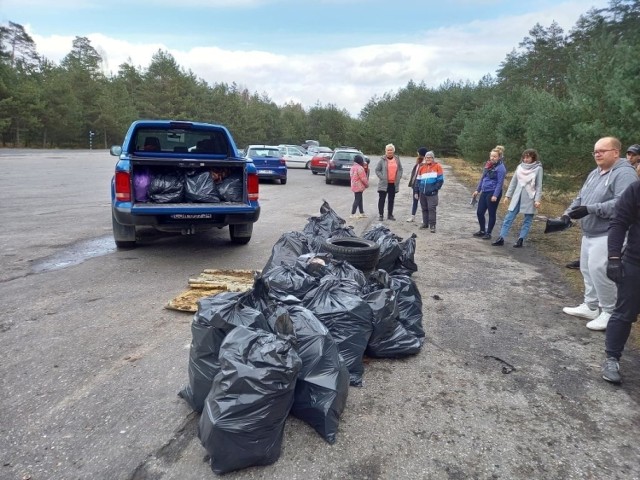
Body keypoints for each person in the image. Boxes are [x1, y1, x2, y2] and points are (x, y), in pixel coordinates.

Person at [562, 136, 637, 331]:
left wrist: (591, 209)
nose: (597, 154)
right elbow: (581, 196)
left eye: (602, 151)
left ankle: (609, 311)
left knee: (600, 270)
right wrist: (567, 214)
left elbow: (622, 205)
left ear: (615, 152)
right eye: (595, 151)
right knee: (587, 268)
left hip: (608, 231)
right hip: (589, 230)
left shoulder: (624, 174)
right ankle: (590, 305)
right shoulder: (595, 173)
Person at [600, 180, 640, 383]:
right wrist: (614, 257)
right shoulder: (636, 188)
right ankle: (612, 359)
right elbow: (619, 222)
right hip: (635, 263)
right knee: (624, 313)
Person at [492, 149, 543, 248]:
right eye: (524, 157)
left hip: (530, 197)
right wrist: (507, 196)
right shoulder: (519, 167)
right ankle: (501, 238)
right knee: (508, 217)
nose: (525, 159)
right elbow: (514, 182)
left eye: (528, 157)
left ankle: (521, 239)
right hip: (517, 196)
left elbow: (538, 185)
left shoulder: (538, 168)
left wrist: (537, 200)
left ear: (533, 157)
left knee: (527, 220)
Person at [471, 148, 507, 240]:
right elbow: (482, 178)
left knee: (491, 213)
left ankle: (489, 233)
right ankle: (482, 230)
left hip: (493, 192)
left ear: (499, 157)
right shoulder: (488, 165)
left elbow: (500, 183)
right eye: (491, 156)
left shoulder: (501, 168)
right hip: (485, 191)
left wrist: (495, 195)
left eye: (495, 156)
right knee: (480, 212)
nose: (492, 158)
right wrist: (477, 190)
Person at [414, 150, 444, 232]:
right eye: (427, 157)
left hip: (432, 193)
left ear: (433, 158)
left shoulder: (438, 166)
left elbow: (440, 180)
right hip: (422, 192)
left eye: (430, 157)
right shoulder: (422, 167)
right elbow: (418, 180)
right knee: (424, 208)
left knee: (431, 208)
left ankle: (432, 225)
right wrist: (417, 191)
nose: (428, 159)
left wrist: (434, 189)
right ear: (425, 158)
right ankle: (425, 223)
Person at [375, 143, 403, 221]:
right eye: (388, 150)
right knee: (382, 199)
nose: (389, 151)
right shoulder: (382, 159)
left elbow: (400, 169)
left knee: (391, 200)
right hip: (384, 183)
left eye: (391, 150)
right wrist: (382, 177)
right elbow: (377, 170)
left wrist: (399, 177)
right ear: (385, 151)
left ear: (393, 151)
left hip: (393, 183)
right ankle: (381, 215)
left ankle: (390, 215)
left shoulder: (397, 159)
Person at [406, 147, 427, 222]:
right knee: (415, 200)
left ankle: (424, 218)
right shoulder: (418, 162)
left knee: (423, 202)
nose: (417, 154)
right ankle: (412, 216)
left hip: (422, 185)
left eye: (418, 153)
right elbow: (414, 174)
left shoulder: (425, 164)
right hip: (415, 185)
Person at [349, 154, 369, 219]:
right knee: (357, 199)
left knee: (360, 199)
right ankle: (352, 213)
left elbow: (351, 176)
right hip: (359, 186)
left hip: (354, 185)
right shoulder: (360, 168)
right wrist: (366, 185)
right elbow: (363, 178)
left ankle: (362, 213)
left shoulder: (352, 167)